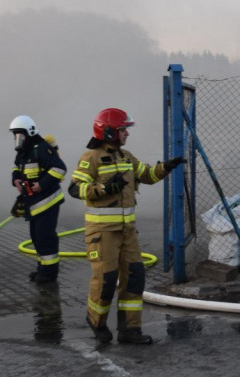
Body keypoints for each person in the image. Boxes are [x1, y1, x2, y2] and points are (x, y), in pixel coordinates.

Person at [68, 107, 185, 345]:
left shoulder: (126, 157)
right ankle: (96, 321)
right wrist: (102, 189)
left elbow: (148, 175)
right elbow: (74, 189)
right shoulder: (90, 158)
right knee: (106, 280)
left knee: (135, 277)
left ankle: (130, 330)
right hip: (102, 234)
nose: (127, 135)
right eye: (123, 130)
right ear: (109, 131)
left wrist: (166, 167)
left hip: (127, 232)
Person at [10, 115, 67, 284]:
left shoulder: (41, 148)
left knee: (45, 238)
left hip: (47, 202)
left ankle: (49, 274)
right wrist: (16, 179)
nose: (17, 139)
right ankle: (42, 269)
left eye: (20, 135)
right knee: (36, 238)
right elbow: (16, 167)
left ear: (30, 132)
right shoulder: (23, 151)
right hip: (34, 203)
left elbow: (60, 168)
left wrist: (42, 184)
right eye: (15, 135)